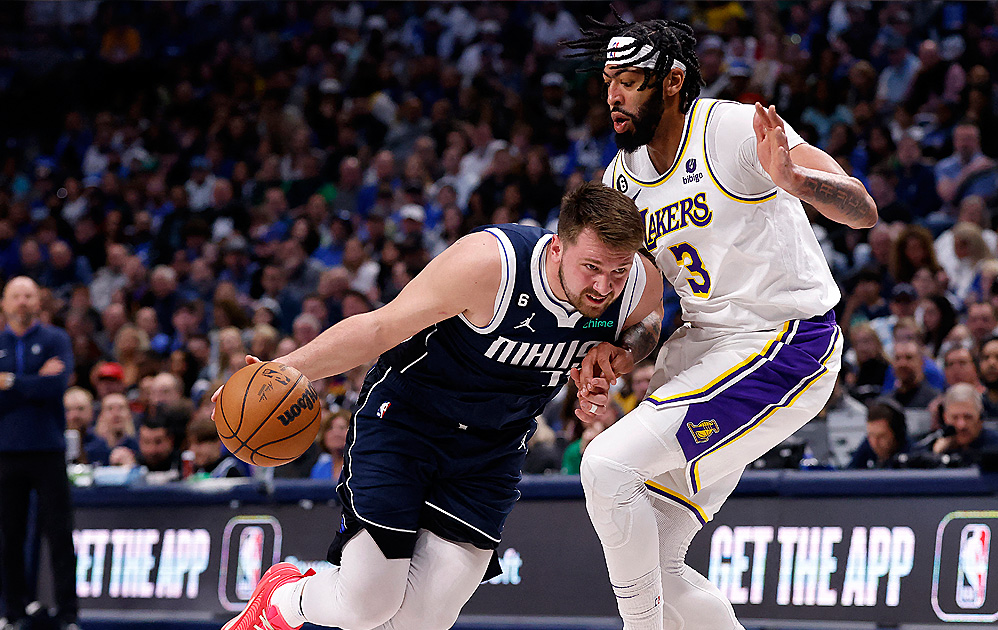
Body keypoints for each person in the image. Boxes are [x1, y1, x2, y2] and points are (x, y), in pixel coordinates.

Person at [216, 182, 664, 630]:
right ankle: (284, 597)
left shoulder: (637, 284)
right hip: (407, 423)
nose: (604, 285)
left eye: (618, 271)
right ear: (557, 248)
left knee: (421, 622)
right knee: (367, 605)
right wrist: (285, 369)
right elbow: (379, 328)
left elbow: (650, 318)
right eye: (591, 267)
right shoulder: (490, 264)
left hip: (493, 449)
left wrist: (619, 355)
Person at [565, 17, 875, 630]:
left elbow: (861, 207)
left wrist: (797, 181)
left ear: (672, 82)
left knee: (604, 465)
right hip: (704, 348)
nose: (614, 95)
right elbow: (652, 303)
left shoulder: (733, 128)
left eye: (630, 81)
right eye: (609, 80)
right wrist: (621, 351)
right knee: (654, 557)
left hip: (786, 341)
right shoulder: (620, 180)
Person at [0, 276, 79, 630]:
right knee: (9, 536)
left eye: (28, 295)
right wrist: (34, 381)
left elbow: (57, 385)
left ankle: (68, 615)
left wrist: (12, 382)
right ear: (3, 303)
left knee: (59, 535)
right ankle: (12, 613)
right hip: (7, 452)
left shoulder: (55, 339)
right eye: (15, 296)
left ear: (39, 302)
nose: (22, 301)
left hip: (48, 449)